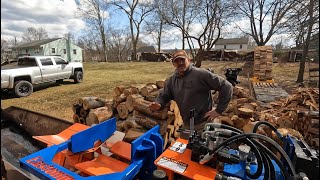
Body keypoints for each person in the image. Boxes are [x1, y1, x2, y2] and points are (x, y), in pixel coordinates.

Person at [149, 50, 233, 138]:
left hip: (203, 124)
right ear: (173, 64)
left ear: (189, 60)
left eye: (182, 59)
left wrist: (219, 110)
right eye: (176, 61)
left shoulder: (201, 74)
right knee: (184, 149)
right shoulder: (171, 81)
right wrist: (159, 103)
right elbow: (165, 95)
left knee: (203, 150)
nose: (180, 63)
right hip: (186, 125)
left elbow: (226, 86)